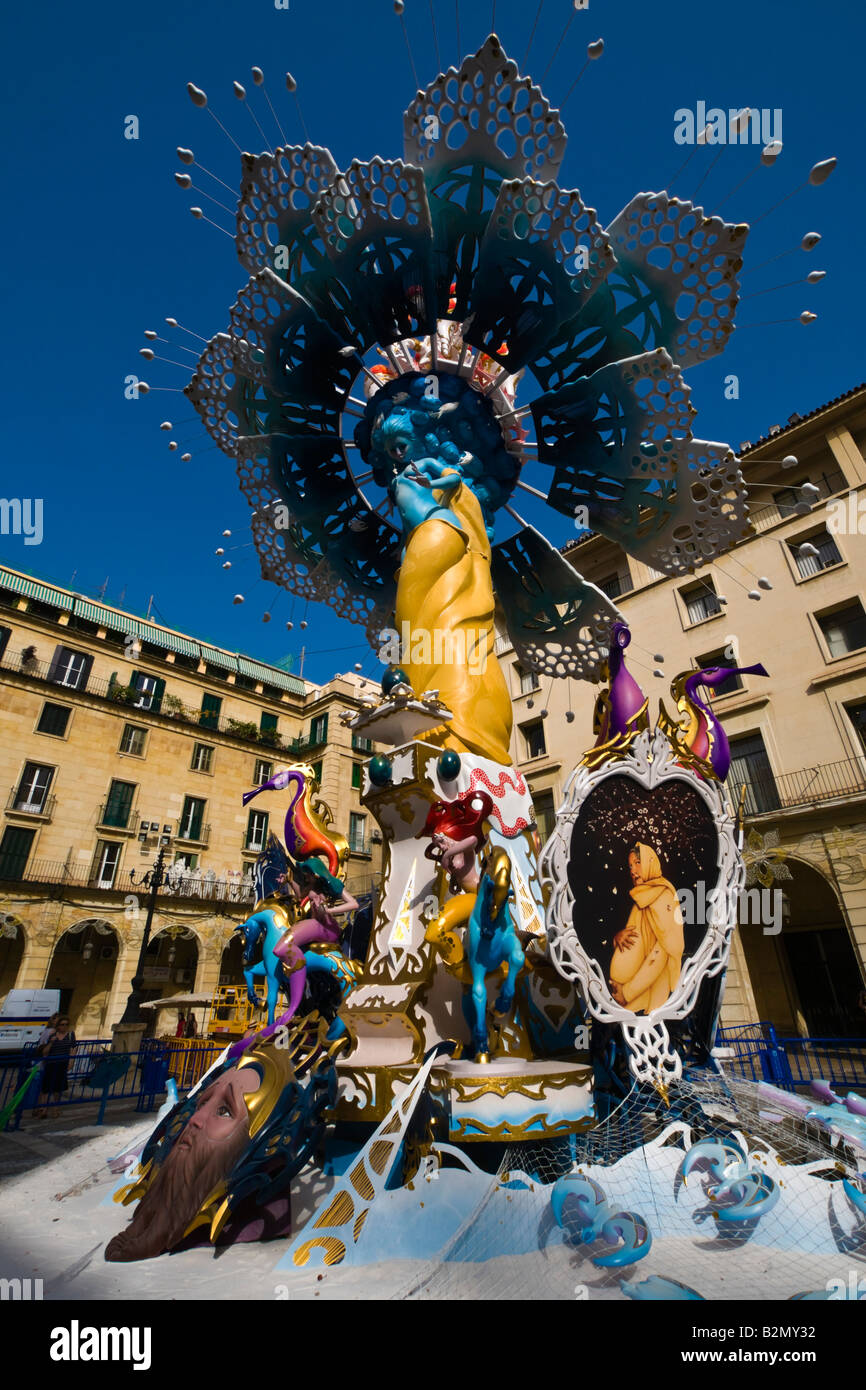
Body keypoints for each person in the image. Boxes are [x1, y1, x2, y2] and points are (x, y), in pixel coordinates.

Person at [608, 843, 684, 1015]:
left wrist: (627, 992)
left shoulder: (663, 898)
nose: (633, 870)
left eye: (637, 863)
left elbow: (660, 954)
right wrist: (617, 939)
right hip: (632, 1000)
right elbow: (636, 941)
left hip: (652, 998)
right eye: (630, 866)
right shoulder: (642, 899)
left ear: (650, 862)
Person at [34, 1016, 77, 1118]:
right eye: (62, 1024)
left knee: (57, 1089)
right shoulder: (52, 1035)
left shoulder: (71, 1035)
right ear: (58, 1026)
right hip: (51, 1064)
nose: (65, 1027)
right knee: (46, 1088)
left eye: (67, 1024)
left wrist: (71, 1062)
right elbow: (45, 1051)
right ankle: (44, 1109)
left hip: (62, 1064)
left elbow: (73, 1049)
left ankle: (55, 1109)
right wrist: (52, 1042)